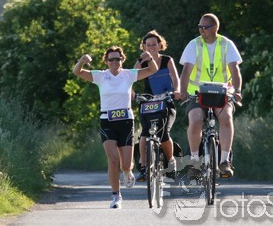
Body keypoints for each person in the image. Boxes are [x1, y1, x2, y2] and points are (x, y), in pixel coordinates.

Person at [73, 46, 158, 209]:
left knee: (125, 164)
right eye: (111, 59)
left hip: (126, 122)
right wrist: (82, 60)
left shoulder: (128, 74)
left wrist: (149, 58)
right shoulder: (101, 76)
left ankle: (127, 171)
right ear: (106, 61)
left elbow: (152, 70)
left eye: (117, 59)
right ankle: (116, 195)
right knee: (112, 160)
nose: (114, 62)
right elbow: (77, 72)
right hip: (107, 121)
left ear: (122, 60)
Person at [178, 13, 243, 179]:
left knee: (226, 118)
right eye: (199, 27)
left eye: (204, 27)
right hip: (197, 93)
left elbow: (235, 70)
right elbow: (186, 71)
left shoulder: (226, 44)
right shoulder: (194, 44)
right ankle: (194, 162)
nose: (201, 30)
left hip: (222, 92)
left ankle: (224, 161)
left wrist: (237, 91)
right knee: (196, 120)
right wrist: (183, 91)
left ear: (215, 28)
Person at [134, 30, 181, 182]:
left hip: (166, 100)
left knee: (164, 132)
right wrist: (132, 94)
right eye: (148, 45)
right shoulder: (142, 61)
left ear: (160, 45)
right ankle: (143, 167)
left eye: (154, 44)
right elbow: (130, 78)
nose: (151, 47)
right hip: (149, 102)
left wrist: (177, 90)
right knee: (144, 133)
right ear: (144, 47)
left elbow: (175, 77)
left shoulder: (167, 60)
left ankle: (171, 161)